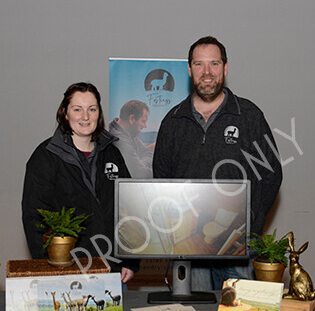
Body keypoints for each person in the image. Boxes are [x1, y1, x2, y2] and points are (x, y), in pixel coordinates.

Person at [153, 36, 283, 291]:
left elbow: (270, 174)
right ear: (189, 70)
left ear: (225, 68)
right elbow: (162, 178)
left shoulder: (249, 116)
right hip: (190, 246)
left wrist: (251, 227)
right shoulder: (173, 121)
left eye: (214, 64)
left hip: (239, 244)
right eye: (199, 65)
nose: (207, 72)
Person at [22, 82, 136, 283]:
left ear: (99, 114)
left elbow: (129, 208)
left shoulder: (112, 153)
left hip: (111, 267)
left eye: (92, 109)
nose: (85, 117)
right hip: (65, 270)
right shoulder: (45, 157)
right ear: (65, 113)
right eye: (77, 109)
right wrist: (47, 268)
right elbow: (34, 218)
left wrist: (131, 261)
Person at [108, 100, 153, 178]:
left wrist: (141, 163)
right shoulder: (118, 140)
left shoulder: (129, 133)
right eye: (143, 121)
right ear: (132, 118)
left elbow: (148, 153)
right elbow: (141, 175)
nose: (145, 126)